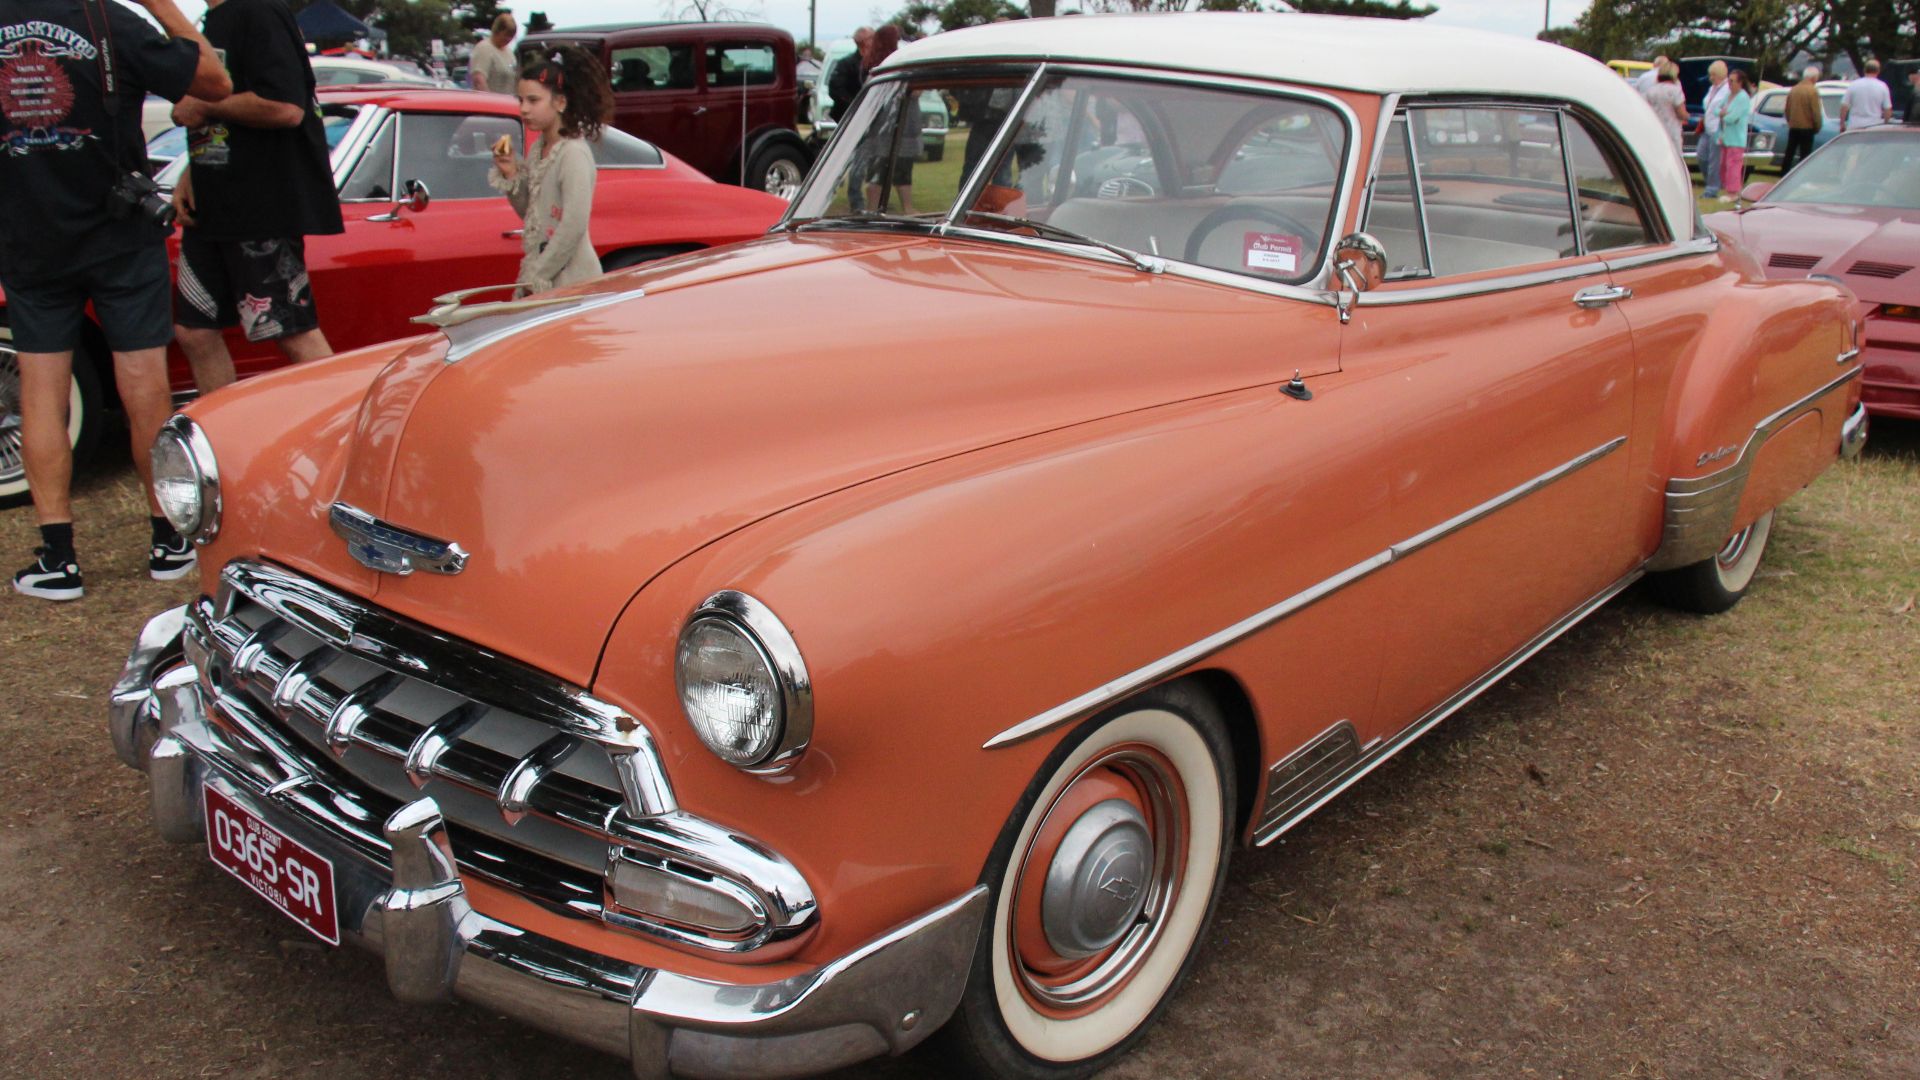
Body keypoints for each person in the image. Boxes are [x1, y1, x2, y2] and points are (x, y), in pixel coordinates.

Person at [1, 0, 229, 600]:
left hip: (28, 236)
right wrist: (161, 7)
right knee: (143, 383)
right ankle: (167, 539)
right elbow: (214, 81)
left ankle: (58, 558)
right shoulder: (107, 20)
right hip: (119, 234)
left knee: (42, 392)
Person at [169, 0, 343, 393]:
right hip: (213, 205)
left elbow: (286, 108)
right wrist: (191, 170)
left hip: (261, 204)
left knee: (291, 330)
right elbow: (218, 122)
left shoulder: (258, 10)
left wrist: (203, 104)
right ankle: (221, 444)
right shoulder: (214, 19)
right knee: (195, 331)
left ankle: (343, 425)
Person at [490, 46, 613, 296]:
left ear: (560, 102)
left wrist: (538, 274)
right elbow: (535, 215)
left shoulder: (572, 153)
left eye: (533, 100)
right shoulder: (540, 149)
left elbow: (573, 225)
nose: (524, 109)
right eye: (520, 100)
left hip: (573, 281)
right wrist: (512, 173)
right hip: (546, 276)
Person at [860, 26, 920, 213]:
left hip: (878, 124)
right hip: (902, 123)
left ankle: (872, 209)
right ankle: (908, 208)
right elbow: (916, 92)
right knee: (902, 169)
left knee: (877, 170)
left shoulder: (870, 64)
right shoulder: (900, 61)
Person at [1780, 65, 1823, 173]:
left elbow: (1787, 109)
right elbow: (1816, 112)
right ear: (1814, 78)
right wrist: (1817, 126)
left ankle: (1784, 172)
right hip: (1807, 127)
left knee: (1789, 152)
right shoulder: (1812, 91)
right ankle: (1801, 174)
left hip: (1794, 126)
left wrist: (1790, 121)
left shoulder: (1794, 89)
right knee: (1805, 155)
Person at [1717, 69, 1753, 202]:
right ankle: (1730, 188)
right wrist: (1723, 113)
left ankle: (1733, 192)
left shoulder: (1743, 98)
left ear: (1740, 82)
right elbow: (1716, 109)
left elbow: (1732, 118)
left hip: (1737, 139)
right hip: (1726, 136)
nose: (1729, 84)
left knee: (1733, 165)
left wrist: (1724, 114)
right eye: (1729, 81)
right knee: (1724, 164)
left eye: (1732, 81)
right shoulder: (1728, 95)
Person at [1643, 61, 1687, 161]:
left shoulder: (1651, 90)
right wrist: (1688, 116)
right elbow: (1681, 113)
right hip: (1672, 130)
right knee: (1675, 160)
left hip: (1656, 129)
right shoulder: (1675, 90)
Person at [1698, 60, 1729, 197]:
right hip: (1707, 127)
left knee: (1714, 161)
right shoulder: (1712, 89)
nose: (1711, 78)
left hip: (1718, 128)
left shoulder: (1727, 89)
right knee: (1701, 155)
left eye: (1713, 75)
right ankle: (1714, 182)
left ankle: (1711, 189)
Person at [469, 13, 517, 94]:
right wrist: (490, 101)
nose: (509, 39)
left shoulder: (509, 52)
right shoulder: (484, 48)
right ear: (497, 31)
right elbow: (478, 80)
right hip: (491, 103)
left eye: (511, 36)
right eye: (506, 35)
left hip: (508, 103)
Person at [1840, 60, 1892, 131]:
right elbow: (1887, 109)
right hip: (1874, 126)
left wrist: (1842, 124)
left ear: (1864, 70)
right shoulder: (1882, 86)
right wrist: (1886, 123)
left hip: (1855, 125)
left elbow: (1844, 106)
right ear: (1878, 71)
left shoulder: (1854, 85)